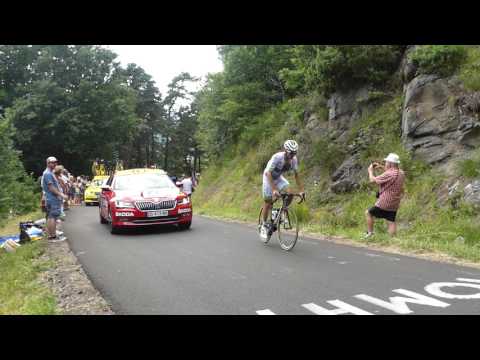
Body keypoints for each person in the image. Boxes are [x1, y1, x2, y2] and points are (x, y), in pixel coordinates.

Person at [260, 140, 305, 240]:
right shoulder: (277, 157)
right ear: (285, 150)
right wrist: (274, 189)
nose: (293, 155)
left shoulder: (294, 160)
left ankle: (283, 211)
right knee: (268, 202)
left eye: (295, 153)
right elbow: (268, 174)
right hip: (268, 177)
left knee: (290, 193)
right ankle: (263, 225)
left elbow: (297, 175)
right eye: (291, 153)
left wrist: (301, 190)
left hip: (278, 178)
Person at [365, 153, 405, 238]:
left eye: (386, 162)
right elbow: (392, 173)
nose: (385, 163)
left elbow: (372, 180)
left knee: (369, 213)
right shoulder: (401, 173)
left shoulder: (389, 174)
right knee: (391, 220)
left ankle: (370, 234)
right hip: (395, 202)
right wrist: (381, 167)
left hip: (385, 201)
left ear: (390, 163)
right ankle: (392, 239)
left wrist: (370, 171)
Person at [41, 157, 68, 242]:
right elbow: (51, 187)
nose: (55, 164)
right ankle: (53, 236)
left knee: (50, 217)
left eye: (56, 162)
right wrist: (61, 195)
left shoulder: (49, 172)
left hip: (51, 199)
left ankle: (51, 235)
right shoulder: (48, 174)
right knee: (52, 217)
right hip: (52, 199)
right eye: (52, 162)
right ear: (48, 163)